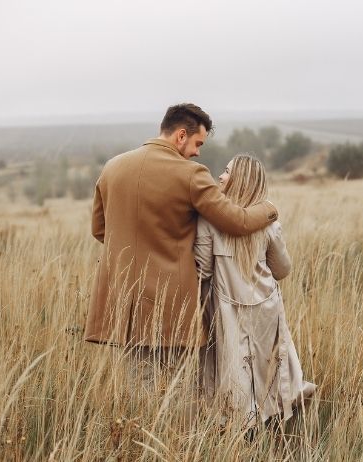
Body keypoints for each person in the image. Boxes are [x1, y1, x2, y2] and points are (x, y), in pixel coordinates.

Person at [84, 105, 278, 405]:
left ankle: (143, 445)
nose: (198, 153)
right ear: (181, 135)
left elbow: (100, 230)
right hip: (170, 303)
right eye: (198, 144)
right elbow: (237, 222)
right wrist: (269, 209)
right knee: (177, 390)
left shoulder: (112, 167)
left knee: (141, 386)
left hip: (124, 300)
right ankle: (179, 448)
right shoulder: (191, 175)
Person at [194, 154, 316, 432]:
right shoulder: (269, 224)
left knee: (236, 373)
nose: (221, 176)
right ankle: (274, 424)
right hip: (266, 307)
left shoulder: (208, 222)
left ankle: (246, 433)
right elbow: (283, 270)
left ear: (241, 181)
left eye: (227, 172)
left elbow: (202, 270)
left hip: (228, 309)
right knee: (269, 367)